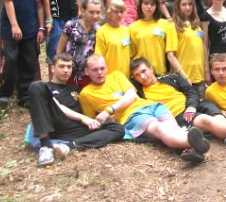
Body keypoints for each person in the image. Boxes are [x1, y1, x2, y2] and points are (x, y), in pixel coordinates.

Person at [79, 55, 211, 163]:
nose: (100, 72)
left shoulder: (116, 76)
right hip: (132, 116)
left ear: (106, 68)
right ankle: (192, 143)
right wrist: (106, 120)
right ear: (87, 71)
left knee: (172, 127)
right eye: (95, 70)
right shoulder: (86, 94)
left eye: (102, 68)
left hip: (153, 105)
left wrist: (108, 110)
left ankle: (192, 148)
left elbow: (131, 96)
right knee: (159, 128)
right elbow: (93, 121)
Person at [131, 58, 226, 153]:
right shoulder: (139, 92)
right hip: (179, 114)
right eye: (137, 75)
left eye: (144, 71)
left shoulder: (171, 77)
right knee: (205, 120)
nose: (143, 76)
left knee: (215, 113)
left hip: (193, 105)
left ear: (151, 69)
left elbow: (191, 91)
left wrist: (191, 106)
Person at [29, 53, 125, 167]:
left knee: (118, 129)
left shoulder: (77, 89)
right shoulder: (45, 88)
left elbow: (89, 111)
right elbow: (59, 107)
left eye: (69, 67)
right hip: (53, 122)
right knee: (36, 85)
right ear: (53, 68)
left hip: (73, 129)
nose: (66, 70)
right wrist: (84, 118)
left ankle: (68, 146)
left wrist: (102, 118)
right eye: (62, 66)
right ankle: (45, 146)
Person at [0, 0, 45, 107]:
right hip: (11, 30)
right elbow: (8, 1)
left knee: (28, 62)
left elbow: (39, 6)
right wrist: (14, 25)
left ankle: (24, 96)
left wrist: (41, 28)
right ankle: (4, 93)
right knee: (10, 60)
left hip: (31, 30)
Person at [167, 0, 207, 97]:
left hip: (199, 76)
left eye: (190, 4)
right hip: (184, 78)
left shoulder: (196, 25)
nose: (187, 7)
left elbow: (202, 48)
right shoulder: (173, 26)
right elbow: (170, 56)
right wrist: (184, 76)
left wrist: (206, 70)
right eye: (184, 4)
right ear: (178, 6)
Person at [56, 0, 102, 87]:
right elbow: (59, 51)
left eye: (98, 12)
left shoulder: (99, 30)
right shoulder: (71, 25)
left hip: (88, 75)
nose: (95, 16)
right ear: (83, 10)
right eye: (91, 12)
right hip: (69, 73)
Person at [129, 0, 170, 76]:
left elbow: (171, 52)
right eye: (146, 3)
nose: (149, 7)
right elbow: (131, 55)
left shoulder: (164, 24)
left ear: (156, 6)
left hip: (160, 71)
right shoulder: (132, 27)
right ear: (140, 5)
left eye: (152, 4)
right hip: (142, 74)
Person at [94, 0, 131, 77]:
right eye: (116, 12)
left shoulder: (127, 30)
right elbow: (99, 56)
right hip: (109, 76)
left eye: (121, 11)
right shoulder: (102, 31)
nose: (119, 14)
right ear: (108, 12)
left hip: (126, 76)